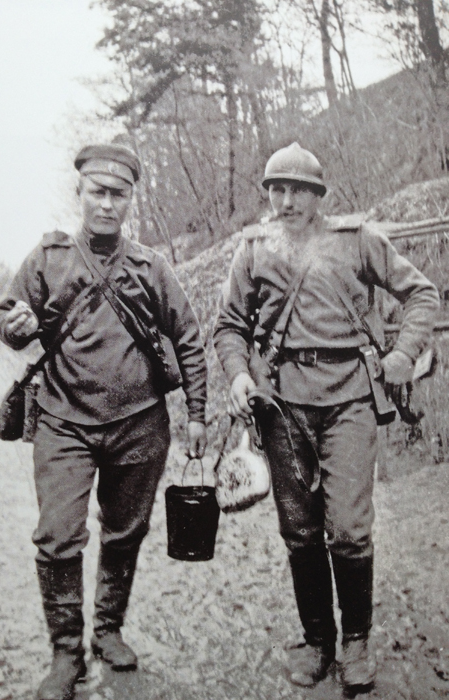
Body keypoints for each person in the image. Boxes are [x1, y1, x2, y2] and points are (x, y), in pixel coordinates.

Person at [213, 142, 439, 693]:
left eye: (298, 191)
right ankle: (318, 640)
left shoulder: (357, 240)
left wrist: (403, 356)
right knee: (300, 532)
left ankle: (356, 641)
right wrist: (240, 374)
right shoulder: (253, 250)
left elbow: (422, 295)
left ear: (319, 197)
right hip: (282, 407)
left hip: (349, 403)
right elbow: (228, 327)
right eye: (277, 189)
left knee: (351, 529)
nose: (287, 201)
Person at [0, 143, 207, 700]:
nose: (108, 205)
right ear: (81, 194)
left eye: (119, 195)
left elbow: (188, 338)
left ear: (131, 199)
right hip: (63, 422)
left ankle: (108, 631)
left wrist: (200, 417)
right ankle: (66, 654)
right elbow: (10, 318)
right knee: (58, 537)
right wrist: (14, 327)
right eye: (98, 193)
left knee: (125, 530)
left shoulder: (150, 266)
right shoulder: (48, 258)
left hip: (140, 424)